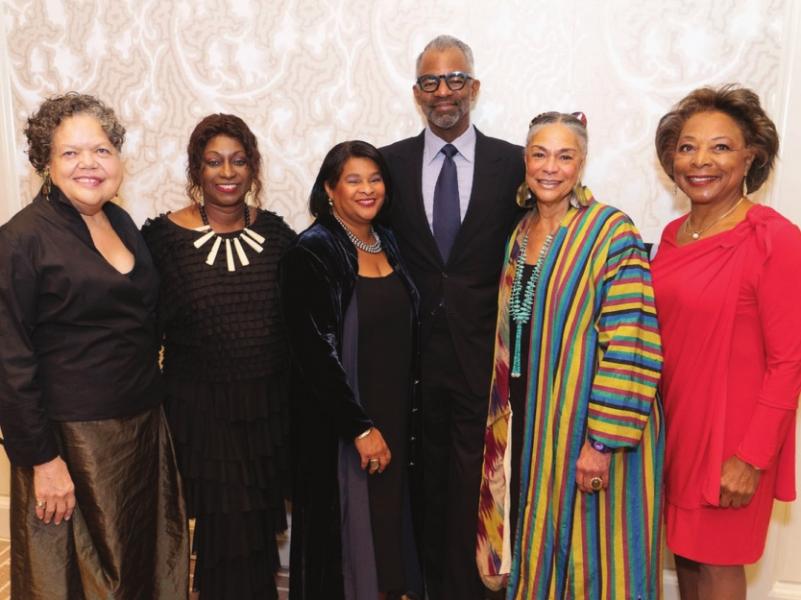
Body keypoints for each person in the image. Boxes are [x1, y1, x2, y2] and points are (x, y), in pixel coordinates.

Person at [0, 92, 189, 599]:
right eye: (70, 152)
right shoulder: (20, 240)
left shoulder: (120, 222)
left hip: (142, 429)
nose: (89, 163)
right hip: (73, 444)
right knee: (78, 581)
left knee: (143, 567)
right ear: (45, 163)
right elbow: (9, 361)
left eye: (102, 150)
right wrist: (42, 460)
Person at [476, 111, 664, 599]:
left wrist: (601, 442)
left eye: (565, 156)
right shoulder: (520, 233)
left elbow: (631, 341)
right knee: (536, 535)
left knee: (592, 552)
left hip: (587, 420)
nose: (550, 167)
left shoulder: (610, 231)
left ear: (581, 163)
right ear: (525, 160)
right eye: (539, 154)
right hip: (530, 415)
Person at [380, 35, 524, 600]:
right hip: (409, 361)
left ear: (474, 87)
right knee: (418, 488)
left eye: (456, 78)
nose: (444, 91)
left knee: (474, 489)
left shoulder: (513, 163)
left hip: (482, 359)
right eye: (431, 81)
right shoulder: (387, 165)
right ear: (417, 93)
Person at [651, 85, 801, 599]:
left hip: (731, 439)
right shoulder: (671, 236)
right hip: (675, 428)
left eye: (720, 147)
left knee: (717, 566)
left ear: (750, 157)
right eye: (687, 147)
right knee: (686, 559)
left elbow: (789, 362)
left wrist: (752, 458)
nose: (701, 161)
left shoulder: (774, 238)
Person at [141, 114, 296, 600]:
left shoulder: (277, 235)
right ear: (196, 169)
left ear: (253, 168)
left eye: (238, 160)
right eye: (214, 162)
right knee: (225, 527)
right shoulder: (163, 239)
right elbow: (141, 328)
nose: (227, 172)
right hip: (201, 414)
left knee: (256, 525)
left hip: (266, 411)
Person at [281, 140, 423, 600]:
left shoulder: (388, 241)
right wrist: (360, 428)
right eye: (354, 180)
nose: (367, 189)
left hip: (395, 410)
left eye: (375, 179)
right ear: (330, 189)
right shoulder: (312, 250)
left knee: (387, 531)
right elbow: (313, 353)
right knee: (349, 543)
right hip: (344, 424)